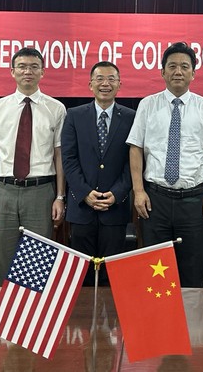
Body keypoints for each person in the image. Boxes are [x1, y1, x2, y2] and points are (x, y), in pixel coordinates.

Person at [127, 42, 203, 288]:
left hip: (194, 201)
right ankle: (157, 314)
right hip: (155, 200)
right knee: (155, 275)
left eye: (184, 66)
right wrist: (138, 191)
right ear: (162, 72)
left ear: (193, 73)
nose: (178, 71)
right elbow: (136, 148)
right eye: (172, 66)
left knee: (192, 272)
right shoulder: (147, 105)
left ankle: (191, 314)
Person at [0, 47, 67, 284]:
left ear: (42, 72)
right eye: (22, 67)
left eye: (34, 67)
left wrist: (60, 196)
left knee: (37, 262)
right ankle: (3, 306)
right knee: (3, 260)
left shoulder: (56, 109)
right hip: (3, 191)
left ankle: (35, 307)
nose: (28, 71)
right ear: (12, 71)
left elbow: (59, 156)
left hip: (41, 191)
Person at [61, 61, 135, 283]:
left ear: (120, 84)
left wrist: (118, 193)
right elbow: (69, 158)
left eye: (111, 79)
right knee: (81, 276)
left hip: (115, 209)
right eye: (100, 79)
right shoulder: (74, 115)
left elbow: (133, 161)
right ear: (90, 84)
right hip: (82, 209)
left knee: (112, 277)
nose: (105, 84)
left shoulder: (131, 117)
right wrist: (84, 193)